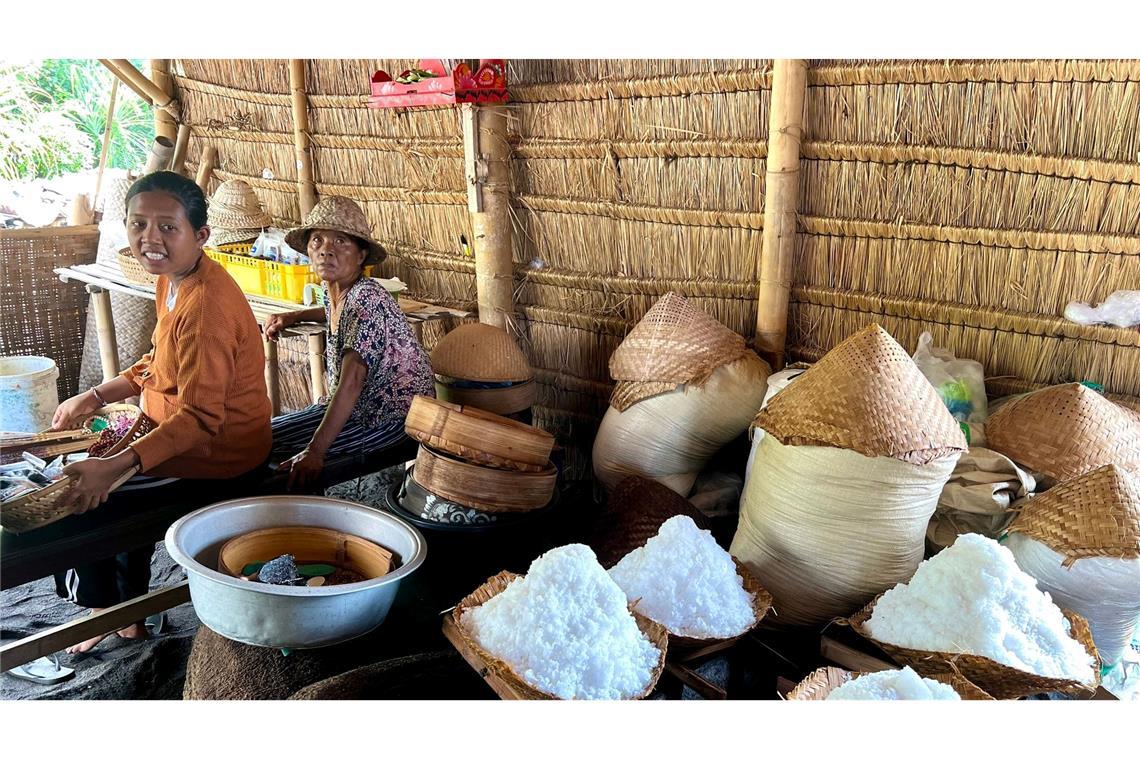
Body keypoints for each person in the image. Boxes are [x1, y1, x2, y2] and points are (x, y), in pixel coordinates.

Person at [50, 171, 272, 652]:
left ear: (200, 235)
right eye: (138, 223)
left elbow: (200, 420)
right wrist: (97, 396)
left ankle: (104, 612)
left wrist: (113, 467)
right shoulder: (174, 280)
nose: (150, 238)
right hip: (179, 433)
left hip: (217, 457)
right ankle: (125, 615)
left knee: (80, 498)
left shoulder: (206, 308)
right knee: (102, 477)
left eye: (168, 227)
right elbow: (159, 360)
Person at [265, 196, 433, 491]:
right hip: (358, 409)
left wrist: (315, 452)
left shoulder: (366, 299)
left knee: (282, 465)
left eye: (340, 242)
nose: (326, 250)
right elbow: (333, 311)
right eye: (317, 240)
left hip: (391, 418)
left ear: (360, 255)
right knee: (261, 438)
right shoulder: (339, 292)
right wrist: (294, 316)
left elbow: (352, 382)